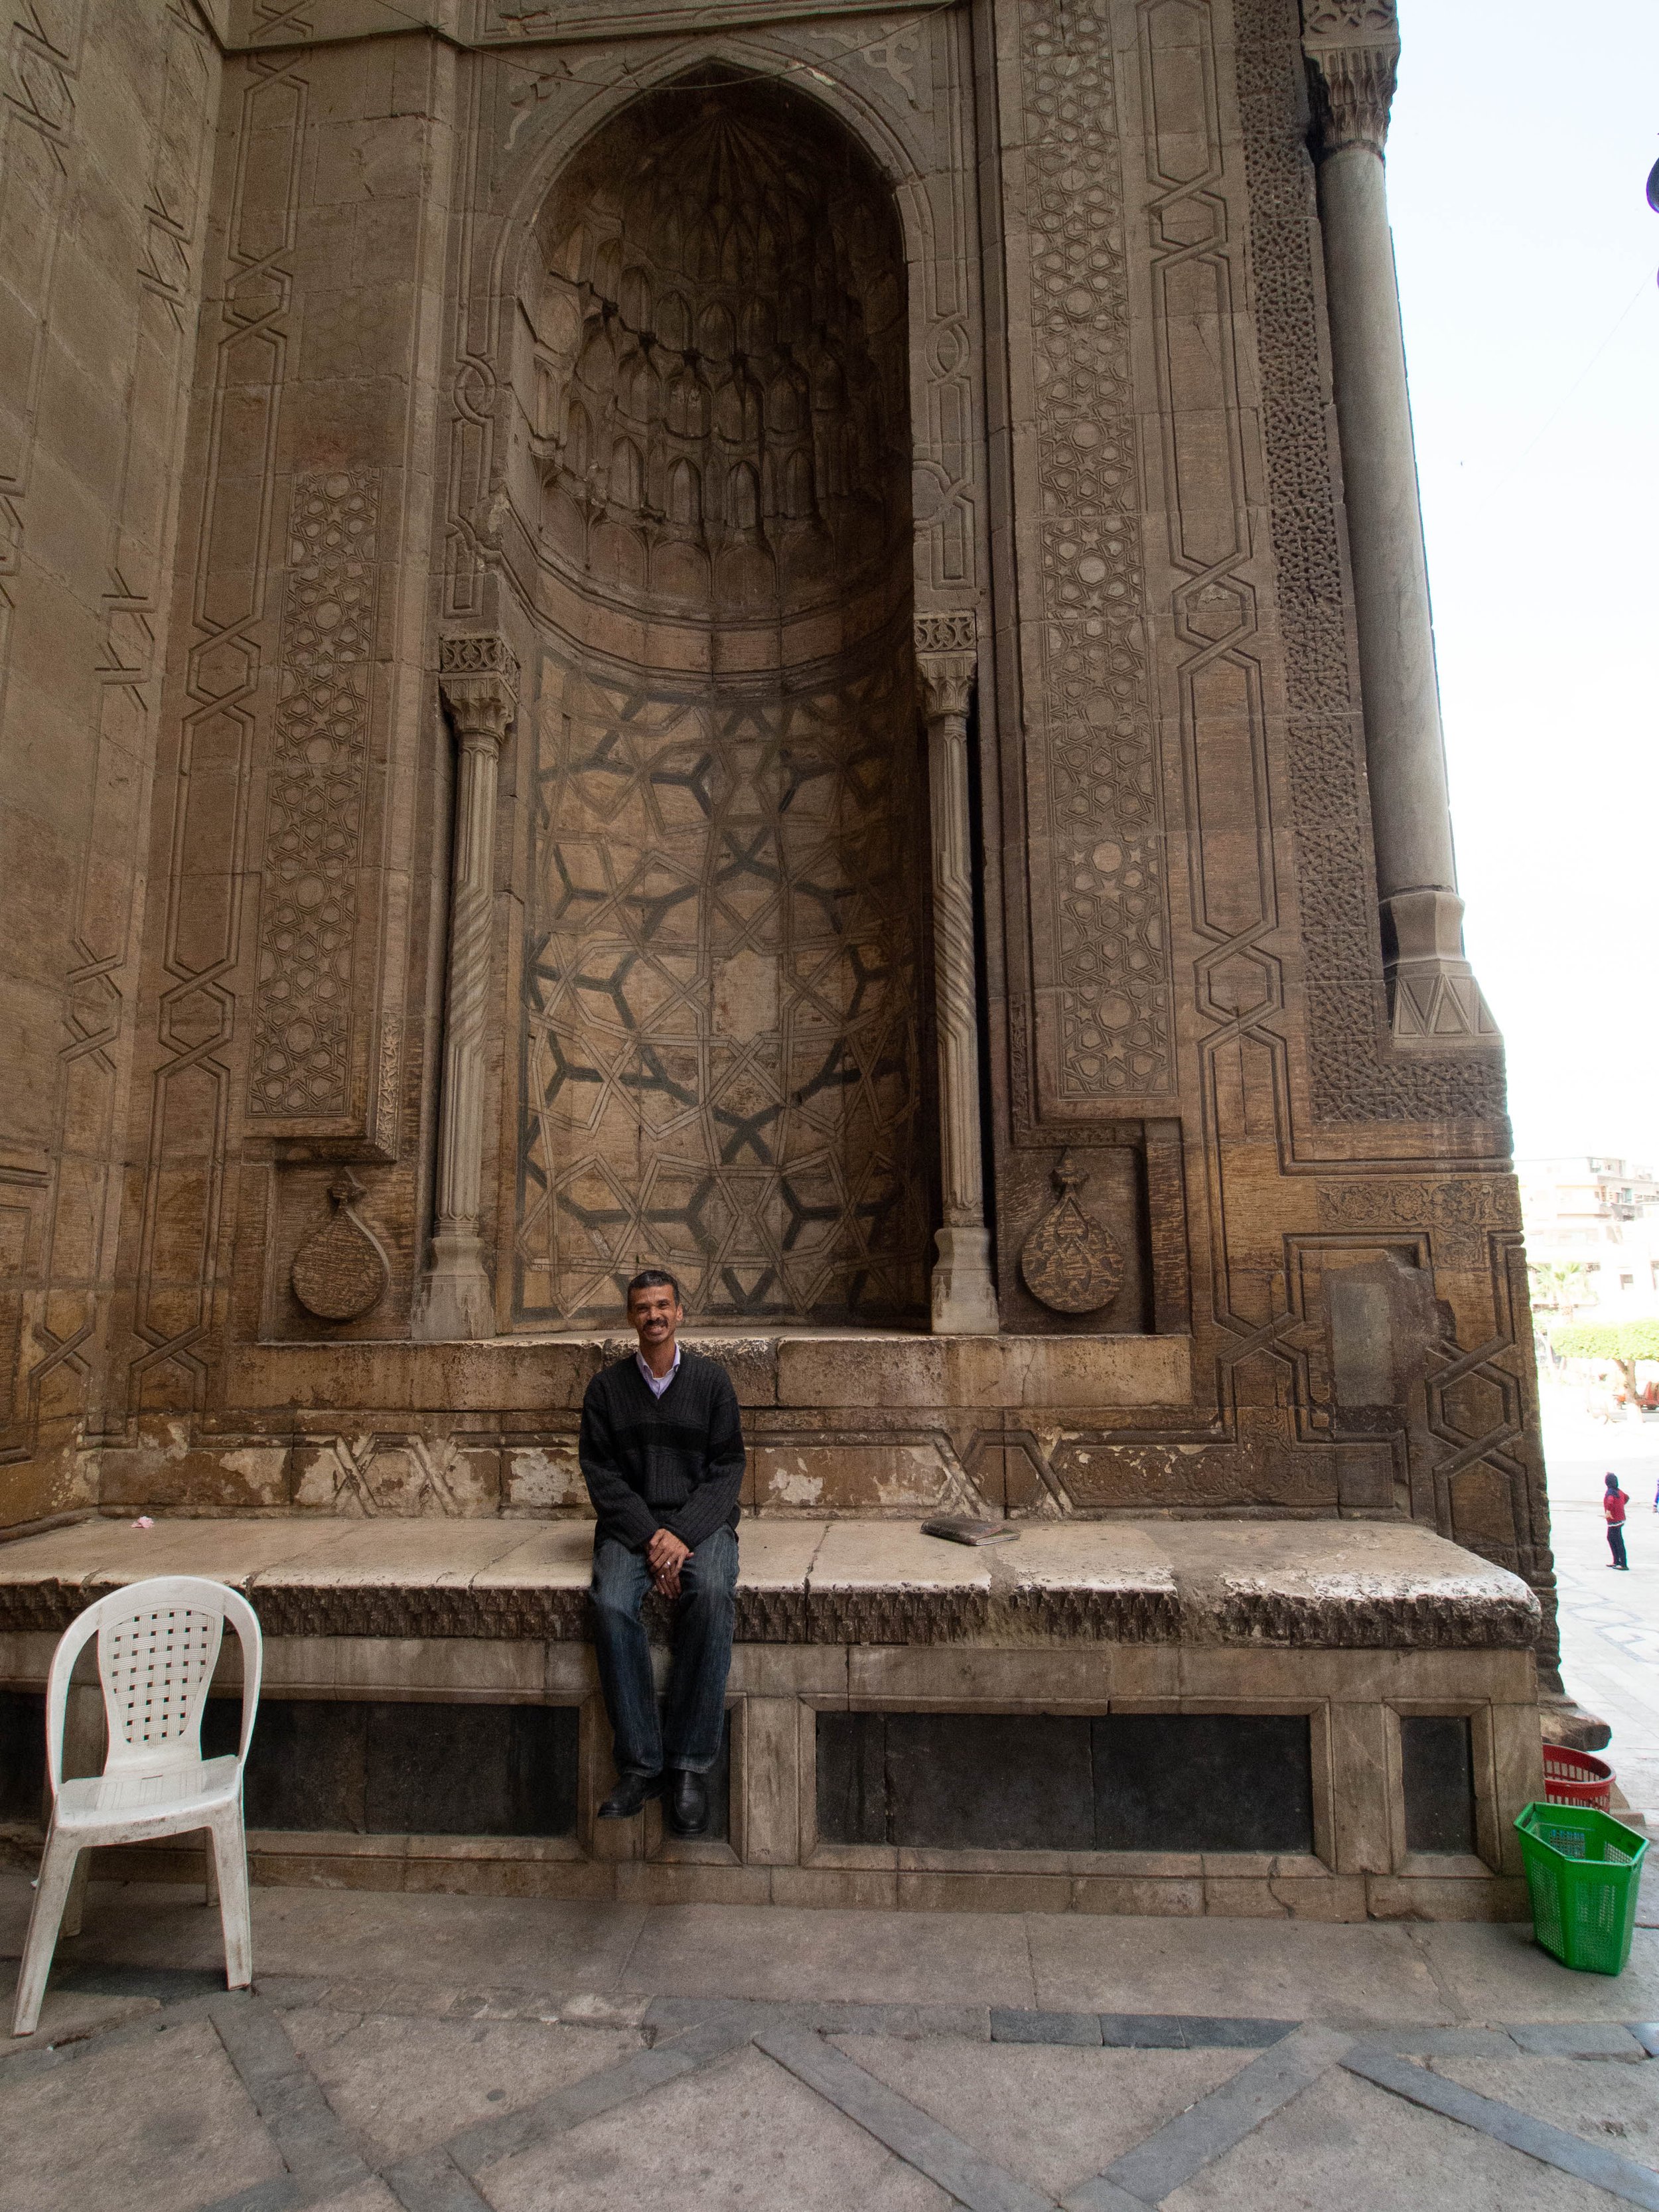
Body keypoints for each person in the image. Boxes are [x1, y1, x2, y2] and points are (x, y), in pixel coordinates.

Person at [579, 1269, 745, 1836]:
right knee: (611, 1604)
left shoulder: (712, 1382)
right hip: (634, 1528)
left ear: (680, 1312)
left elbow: (728, 1468)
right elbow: (600, 1474)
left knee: (714, 1592)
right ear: (631, 1317)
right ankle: (642, 1764)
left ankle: (689, 1764)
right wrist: (654, 1540)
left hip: (700, 1524)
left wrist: (683, 1536)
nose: (654, 1315)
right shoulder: (606, 1390)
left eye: (663, 1305)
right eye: (644, 1307)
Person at [1603, 1472, 1630, 1570]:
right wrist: (1620, 1506)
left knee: (1616, 1540)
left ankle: (1623, 1564)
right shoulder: (1619, 1491)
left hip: (1614, 1521)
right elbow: (1627, 1498)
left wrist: (1609, 1511)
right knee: (1612, 1538)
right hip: (1620, 1519)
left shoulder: (1610, 1492)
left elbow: (1610, 1501)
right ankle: (1617, 1561)